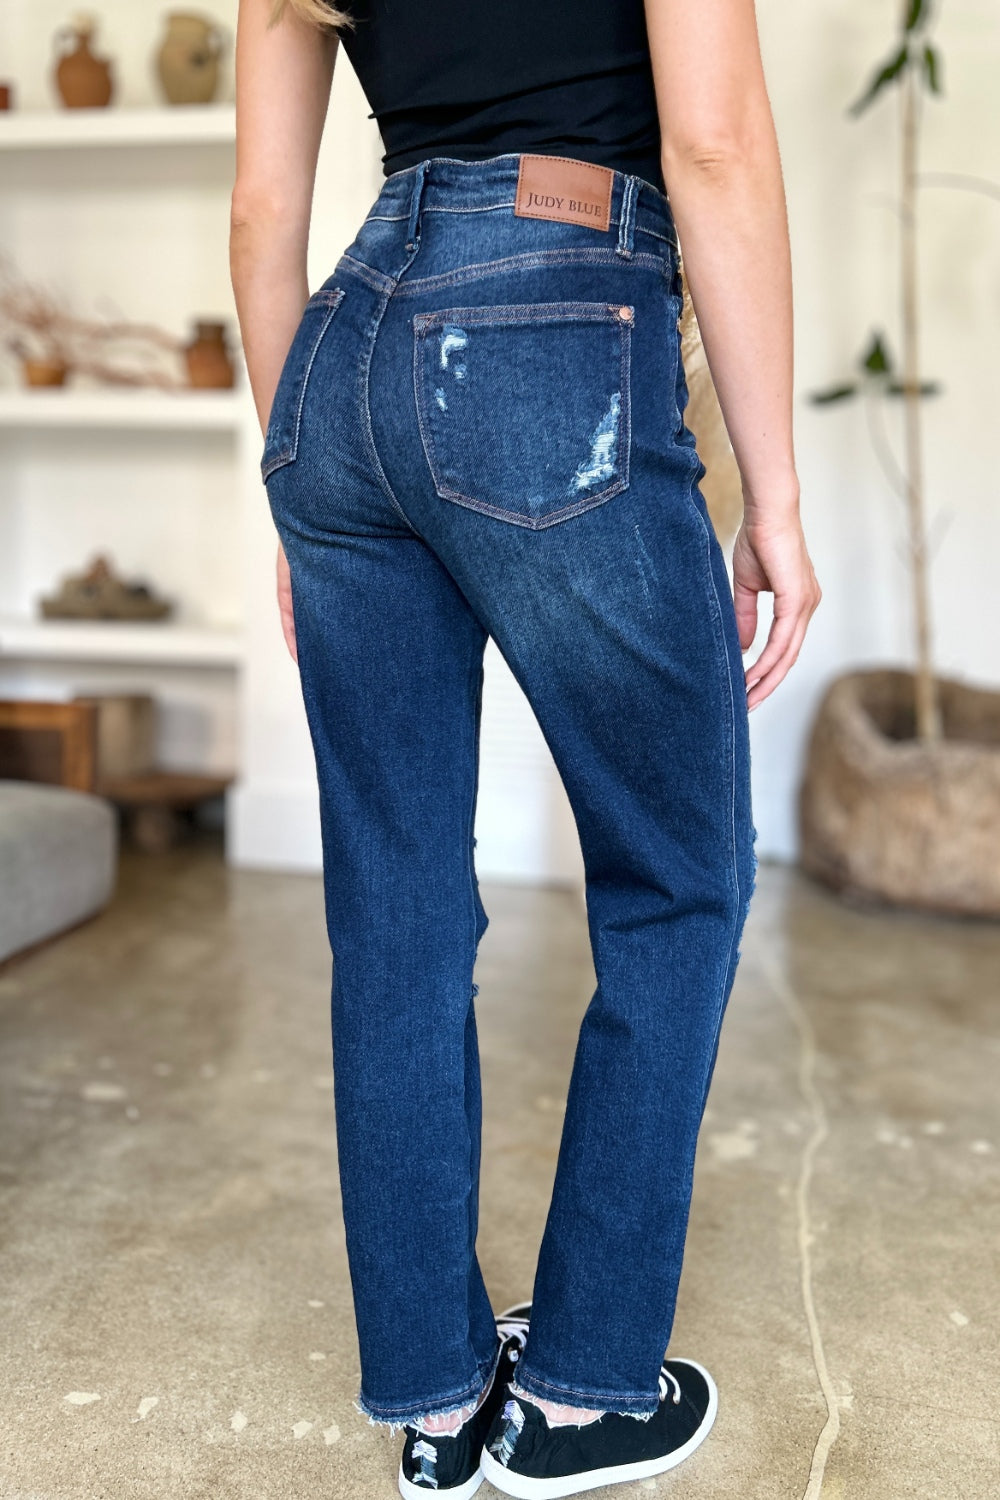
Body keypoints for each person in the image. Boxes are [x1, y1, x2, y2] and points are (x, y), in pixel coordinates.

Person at [230, 0, 821, 1495]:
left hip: (345, 355)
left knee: (397, 906)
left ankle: (432, 1400)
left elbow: (260, 212)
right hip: (556, 313)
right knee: (678, 881)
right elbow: (714, 144)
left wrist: (301, 475)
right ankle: (581, 1391)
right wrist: (778, 496)